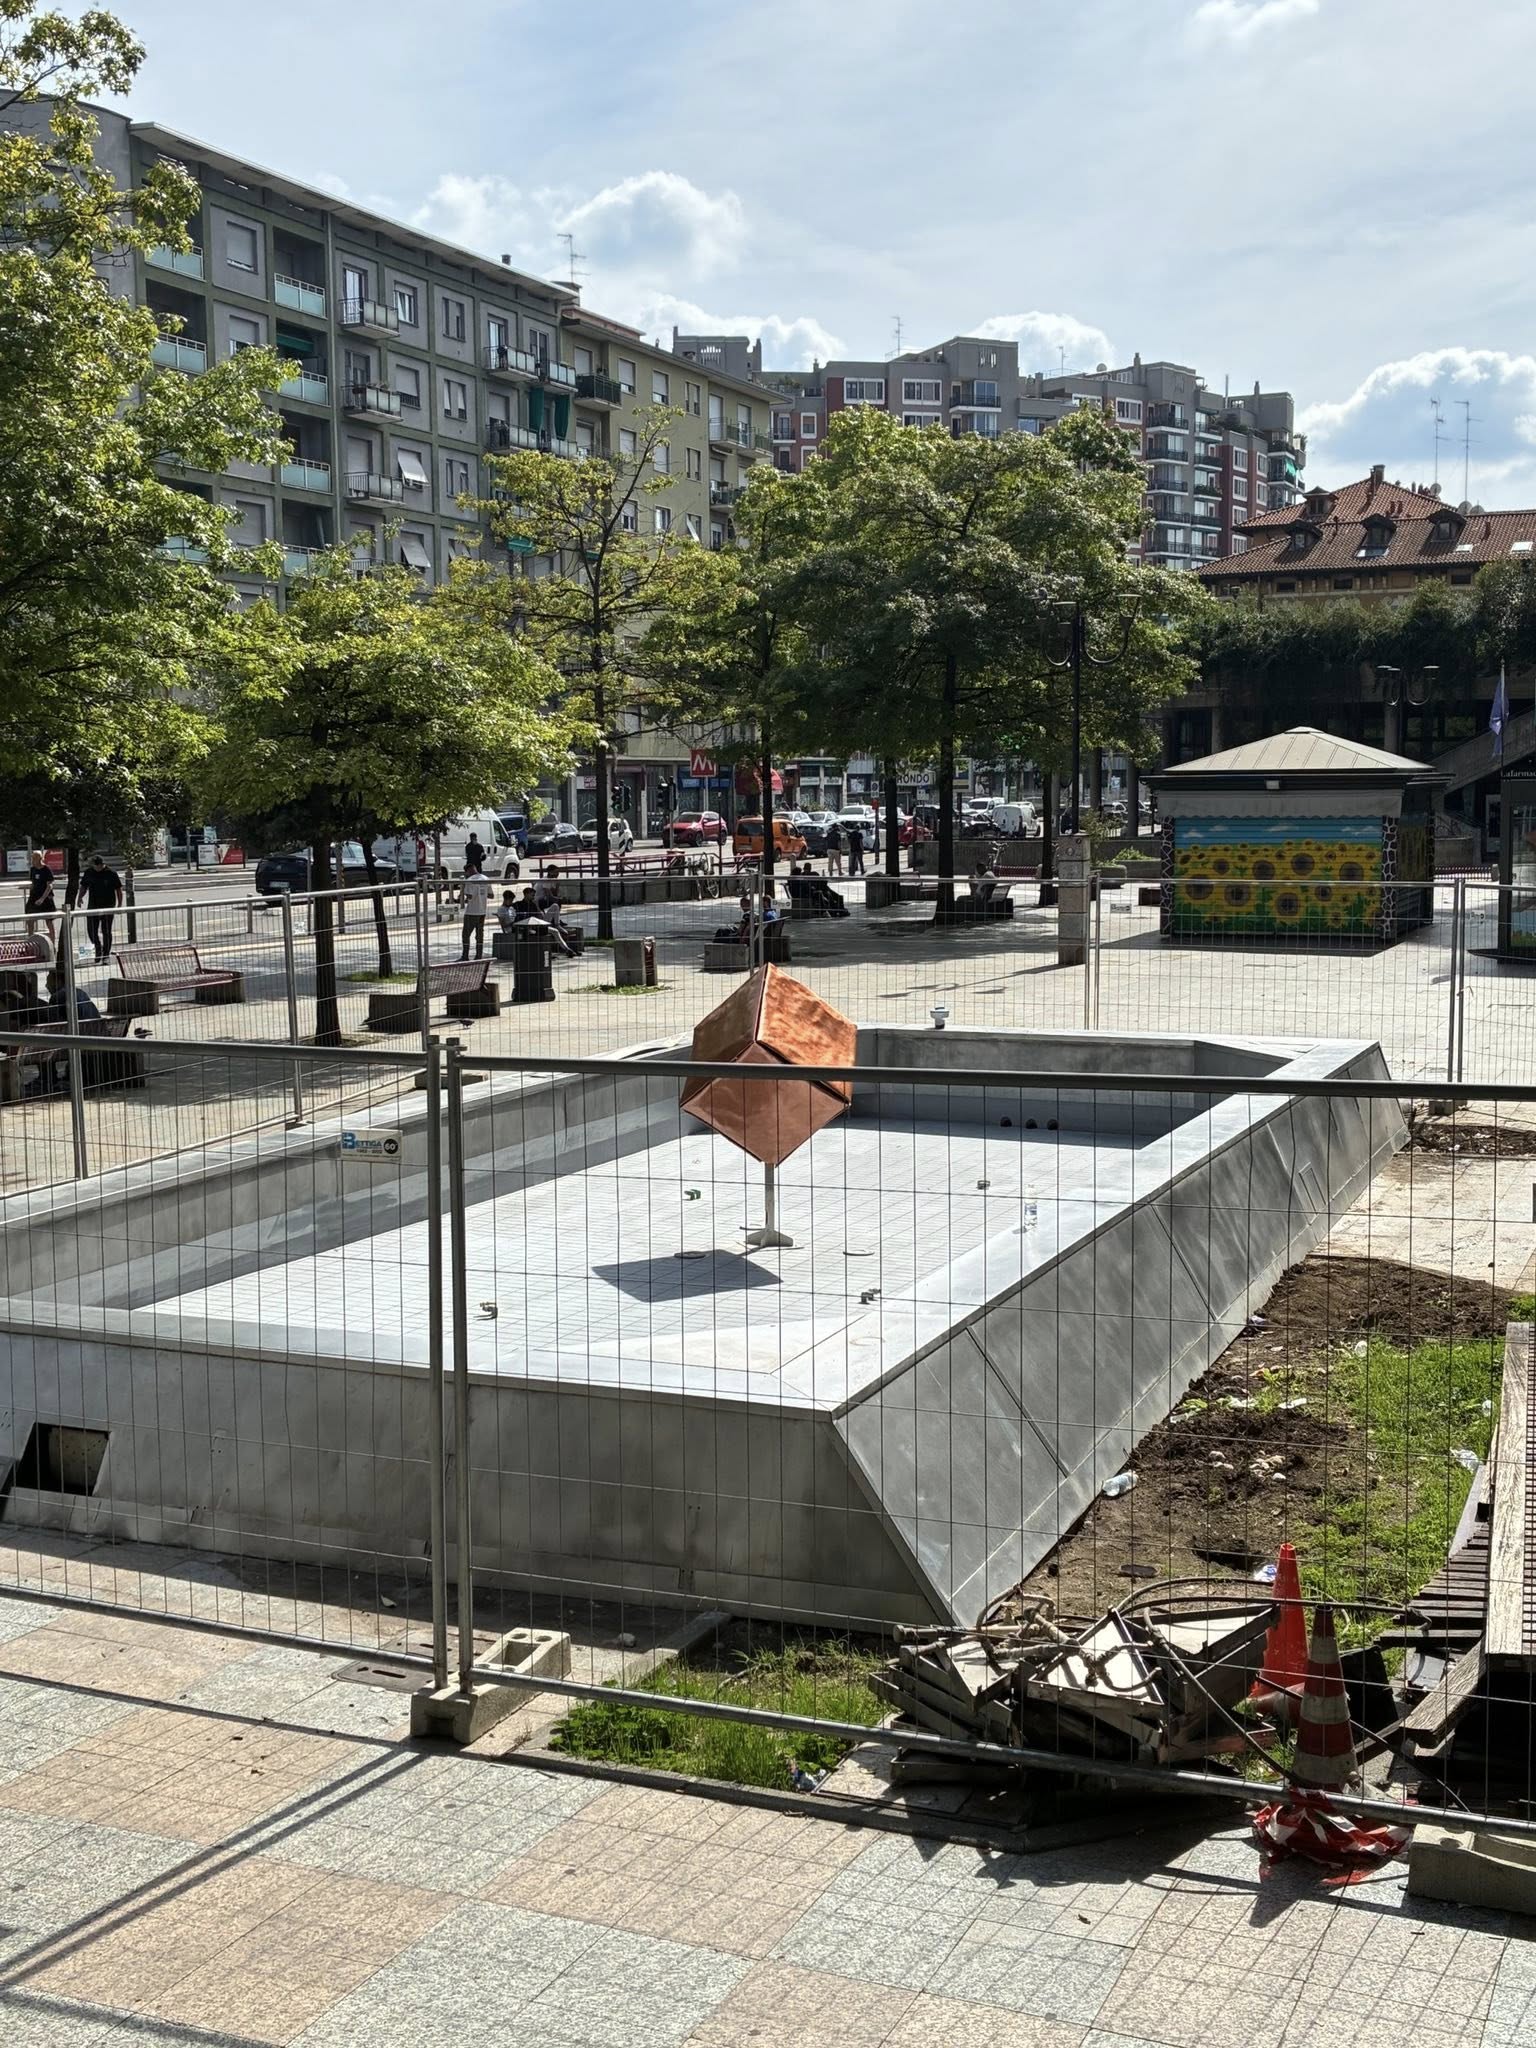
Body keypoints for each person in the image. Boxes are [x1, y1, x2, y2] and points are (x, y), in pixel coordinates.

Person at [77, 854, 124, 963]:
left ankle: (106, 955)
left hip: (108, 905)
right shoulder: (89, 872)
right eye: (95, 866)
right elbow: (84, 886)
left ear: (102, 864)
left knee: (106, 931)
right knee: (91, 930)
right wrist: (79, 898)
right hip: (93, 905)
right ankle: (98, 948)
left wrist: (119, 905)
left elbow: (118, 889)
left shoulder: (111, 873)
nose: (97, 868)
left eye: (98, 866)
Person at [23, 858, 57, 946]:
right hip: (34, 897)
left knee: (49, 921)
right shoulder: (33, 869)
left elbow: (49, 886)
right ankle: (31, 944)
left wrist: (42, 898)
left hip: (45, 897)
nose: (32, 861)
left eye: (33, 859)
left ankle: (53, 944)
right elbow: (33, 882)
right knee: (30, 919)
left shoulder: (46, 869)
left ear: (39, 859)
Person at [459, 865, 491, 958]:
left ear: (468, 871)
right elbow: (491, 895)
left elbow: (469, 896)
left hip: (472, 911)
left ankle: (465, 956)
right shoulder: (486, 878)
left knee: (466, 935)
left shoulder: (469, 880)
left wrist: (463, 895)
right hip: (482, 911)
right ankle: (479, 955)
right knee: (480, 935)